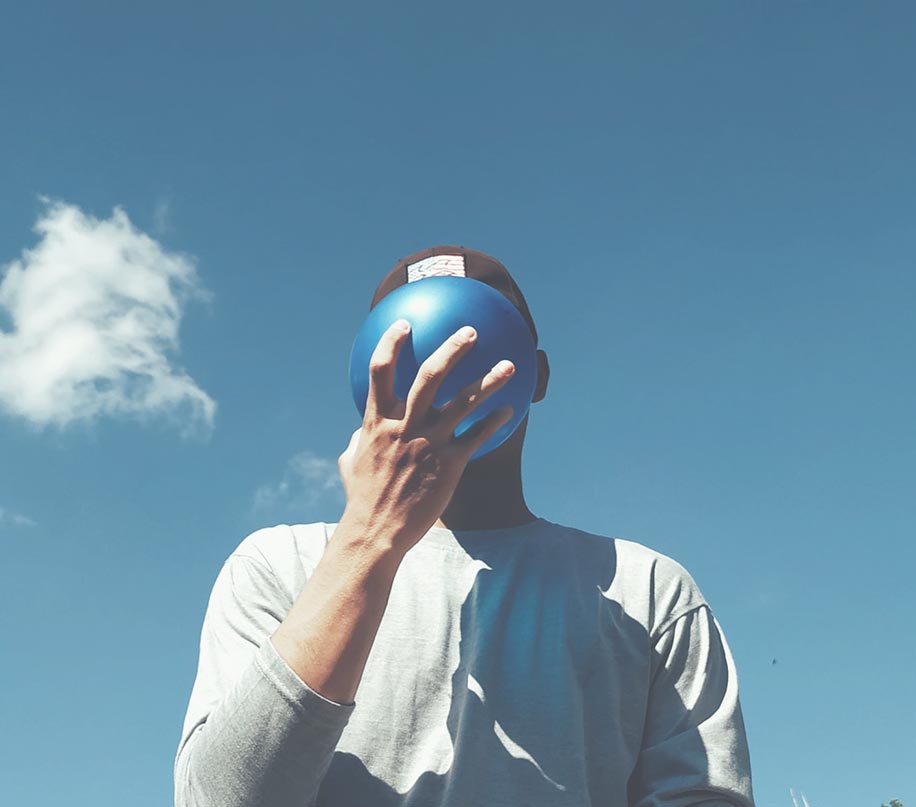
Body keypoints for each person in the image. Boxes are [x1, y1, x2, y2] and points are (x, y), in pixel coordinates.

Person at [173, 245, 755, 807]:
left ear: (537, 375)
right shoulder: (279, 567)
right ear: (369, 373)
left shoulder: (649, 589)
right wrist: (368, 537)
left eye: (476, 338)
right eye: (414, 348)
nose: (442, 367)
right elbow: (214, 801)